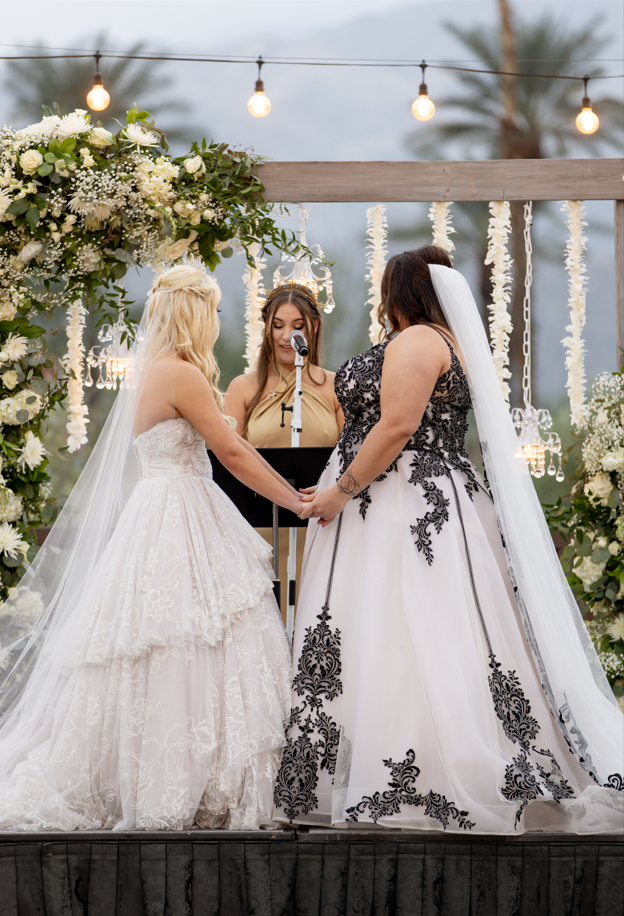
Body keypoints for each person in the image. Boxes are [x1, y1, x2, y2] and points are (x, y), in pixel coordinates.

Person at [273, 247, 624, 834]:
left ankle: (421, 777)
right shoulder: (442, 341)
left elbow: (399, 425)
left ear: (398, 291)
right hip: (412, 498)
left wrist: (342, 490)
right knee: (404, 631)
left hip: (402, 502)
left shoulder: (417, 341)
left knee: (405, 632)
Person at [0, 263, 303, 831]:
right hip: (182, 513)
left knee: (161, 647)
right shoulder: (182, 375)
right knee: (188, 641)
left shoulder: (155, 373)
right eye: (212, 311)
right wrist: (298, 500)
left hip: (161, 512)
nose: (216, 322)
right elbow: (232, 456)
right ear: (194, 313)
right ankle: (189, 782)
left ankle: (162, 774)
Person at [225, 281, 343, 617]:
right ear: (265, 328)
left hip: (322, 524)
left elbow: (350, 454)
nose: (285, 336)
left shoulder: (335, 386)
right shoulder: (243, 388)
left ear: (314, 328)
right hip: (258, 527)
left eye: (296, 326)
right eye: (277, 326)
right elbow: (227, 455)